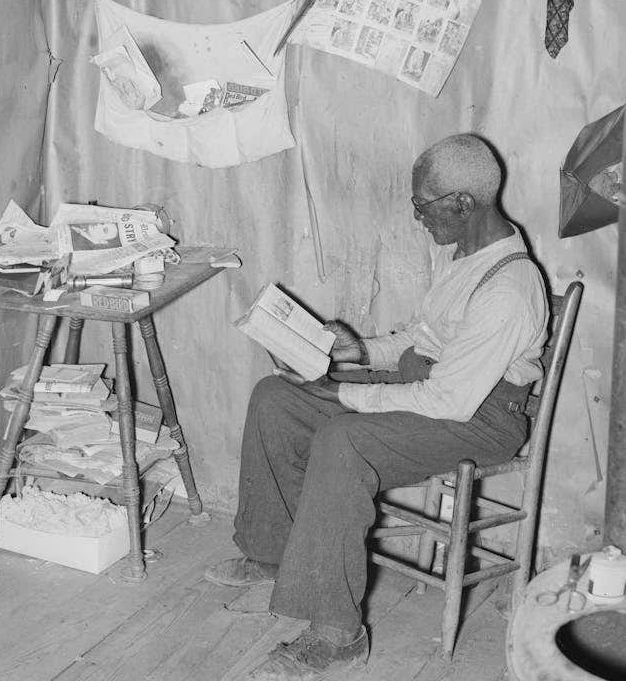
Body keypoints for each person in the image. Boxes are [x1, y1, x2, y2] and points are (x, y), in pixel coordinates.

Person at [205, 134, 548, 680]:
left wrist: (342, 392)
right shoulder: (466, 252)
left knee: (345, 441)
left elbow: (450, 401)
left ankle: (338, 637)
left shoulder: (508, 290)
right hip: (439, 390)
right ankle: (272, 553)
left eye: (422, 205)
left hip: (480, 420)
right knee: (277, 397)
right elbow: (424, 338)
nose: (416, 216)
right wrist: (359, 350)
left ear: (463, 203)